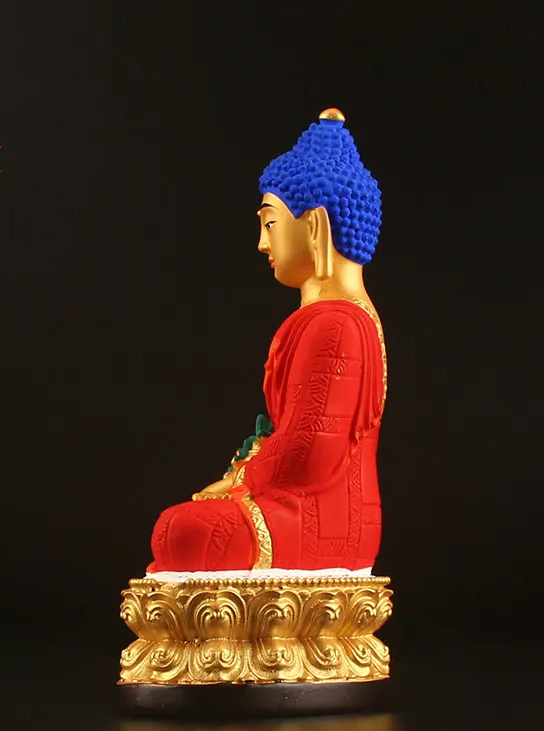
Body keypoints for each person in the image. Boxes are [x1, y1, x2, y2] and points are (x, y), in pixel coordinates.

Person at [147, 108, 386, 574]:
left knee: (178, 531)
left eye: (270, 223)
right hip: (304, 508)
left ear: (314, 226)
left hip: (320, 520)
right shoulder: (332, 319)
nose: (262, 243)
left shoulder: (337, 325)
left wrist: (243, 474)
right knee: (182, 528)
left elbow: (310, 453)